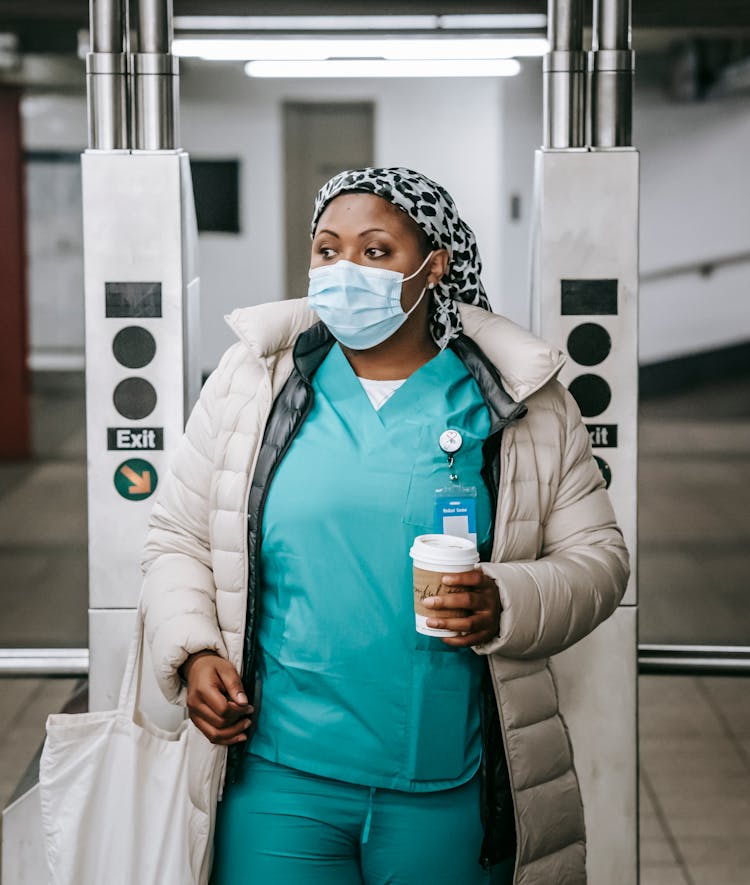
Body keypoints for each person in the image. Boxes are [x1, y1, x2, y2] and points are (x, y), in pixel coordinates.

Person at [141, 166, 630, 885]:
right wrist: (192, 652)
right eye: (328, 249)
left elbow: (600, 558)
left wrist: (508, 597)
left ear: (433, 266)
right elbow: (178, 534)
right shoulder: (254, 381)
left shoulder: (520, 401)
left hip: (444, 783)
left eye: (376, 252)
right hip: (277, 777)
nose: (345, 270)